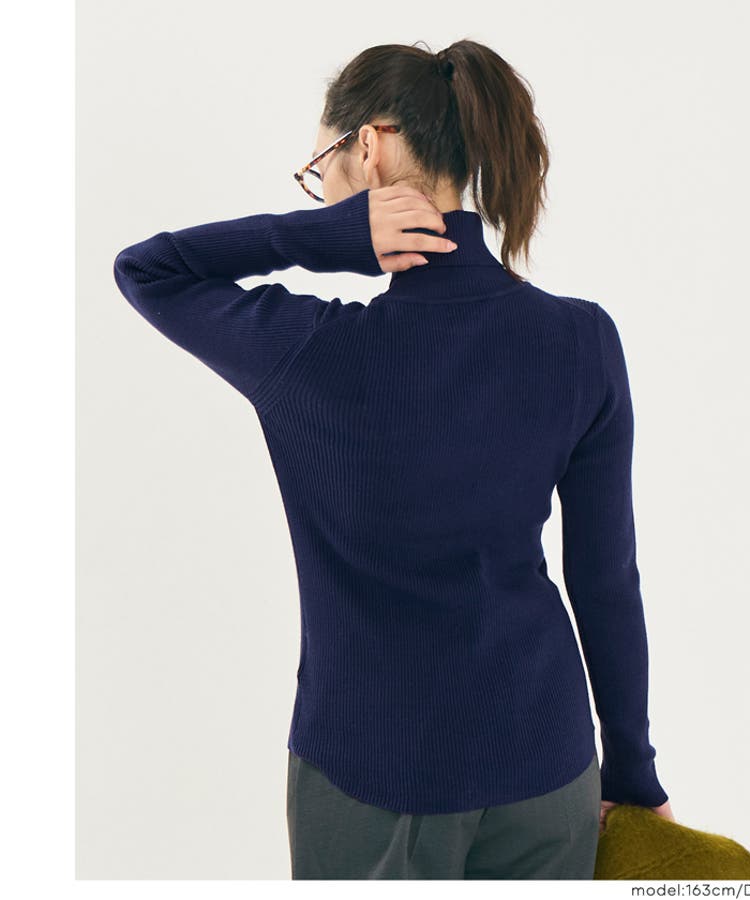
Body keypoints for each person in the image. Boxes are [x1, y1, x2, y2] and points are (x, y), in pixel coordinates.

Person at [112, 38, 675, 880]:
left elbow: (147, 271)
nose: (320, 191)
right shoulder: (582, 340)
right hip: (549, 771)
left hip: (371, 776)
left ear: (367, 146)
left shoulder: (310, 353)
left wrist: (330, 236)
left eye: (320, 170)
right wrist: (631, 773)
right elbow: (605, 577)